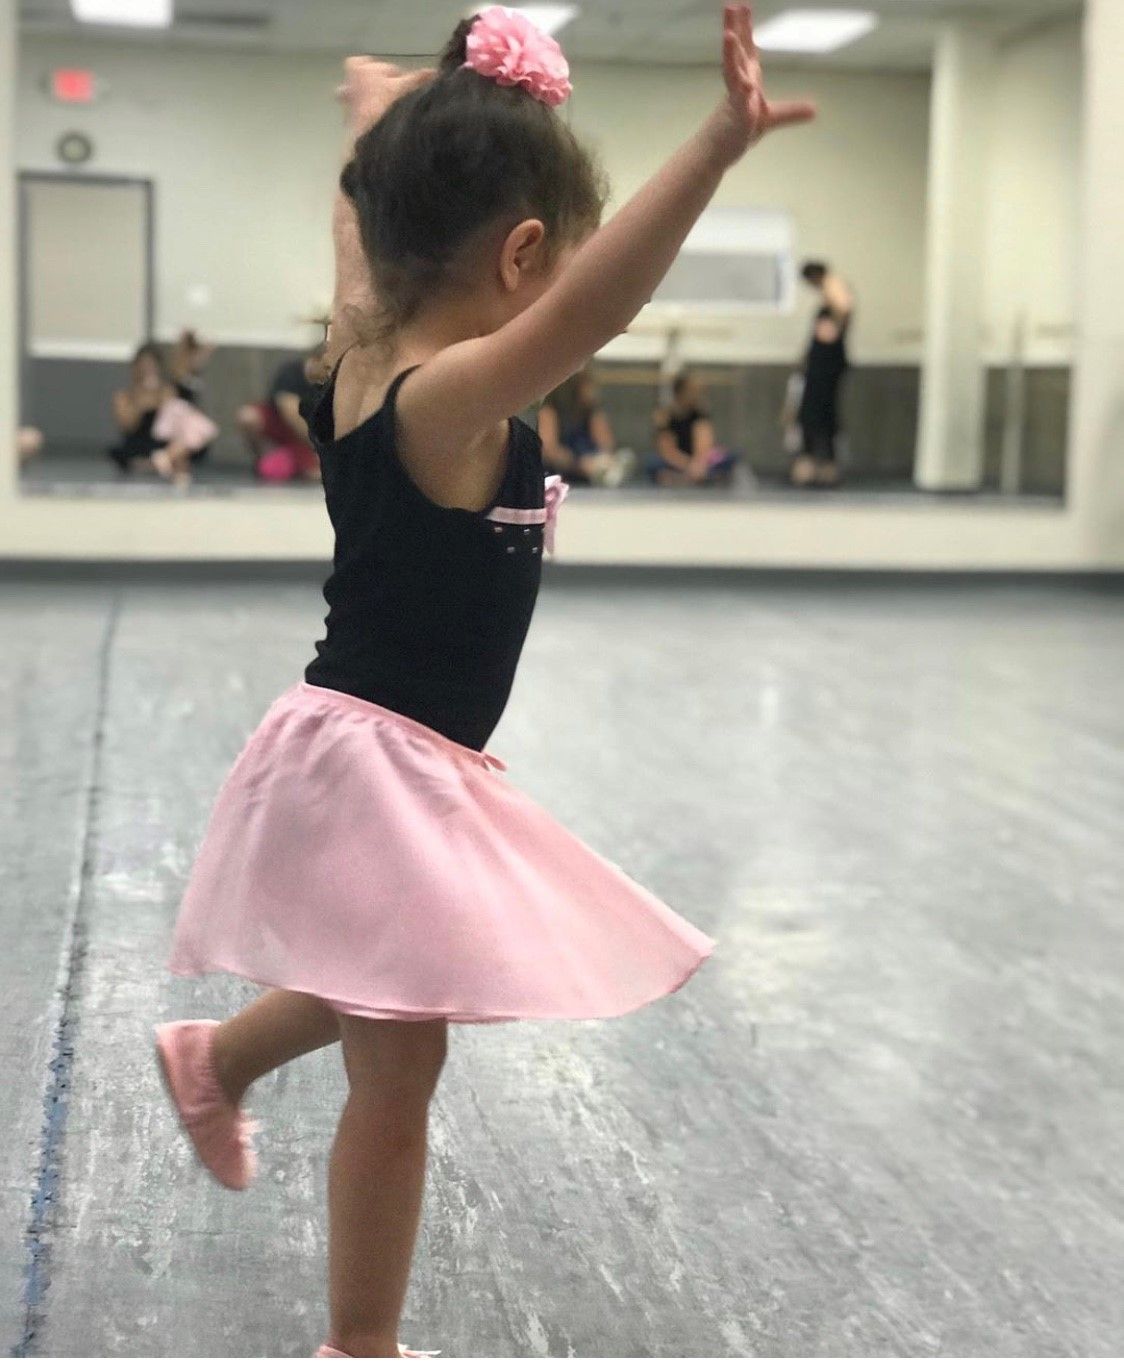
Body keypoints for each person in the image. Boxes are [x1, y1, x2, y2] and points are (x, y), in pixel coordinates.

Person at [155, 8, 812, 1358]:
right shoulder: (443, 402)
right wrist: (714, 147)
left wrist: (368, 135)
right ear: (522, 257)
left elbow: (364, 246)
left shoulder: (361, 352)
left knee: (387, 972)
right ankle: (359, 1347)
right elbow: (594, 309)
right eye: (558, 255)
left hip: (383, 750)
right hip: (378, 763)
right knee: (402, 1066)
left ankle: (212, 1059)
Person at [107, 343, 217, 489]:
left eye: (151, 366)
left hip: (164, 442)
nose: (147, 371)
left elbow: (175, 415)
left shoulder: (166, 390)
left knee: (184, 417)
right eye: (143, 366)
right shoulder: (124, 397)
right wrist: (141, 400)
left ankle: (167, 461)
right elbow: (127, 424)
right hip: (139, 444)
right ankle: (162, 462)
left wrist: (157, 396)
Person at [791, 259, 854, 487]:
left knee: (822, 415)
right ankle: (813, 464)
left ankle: (824, 465)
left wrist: (831, 289)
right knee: (812, 415)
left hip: (826, 365)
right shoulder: (827, 305)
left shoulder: (833, 294)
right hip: (820, 363)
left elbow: (844, 308)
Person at [538, 367, 636, 487]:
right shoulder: (550, 410)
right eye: (587, 385)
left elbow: (606, 444)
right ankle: (604, 472)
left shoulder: (590, 411)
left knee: (620, 456)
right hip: (563, 470)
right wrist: (578, 464)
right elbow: (551, 451)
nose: (593, 390)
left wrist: (602, 459)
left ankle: (607, 470)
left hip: (591, 462)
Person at [236, 350, 324, 482]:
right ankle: (267, 457)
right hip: (288, 428)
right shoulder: (292, 372)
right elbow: (289, 410)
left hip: (312, 438)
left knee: (315, 472)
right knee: (247, 416)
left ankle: (296, 461)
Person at [649, 370, 737, 486]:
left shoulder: (700, 414)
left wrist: (698, 464)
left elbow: (704, 443)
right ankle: (692, 478)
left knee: (731, 456)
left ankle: (691, 478)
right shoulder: (665, 416)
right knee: (652, 462)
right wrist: (687, 465)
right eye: (692, 391)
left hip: (700, 461)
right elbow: (666, 448)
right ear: (679, 392)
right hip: (676, 461)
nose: (696, 395)